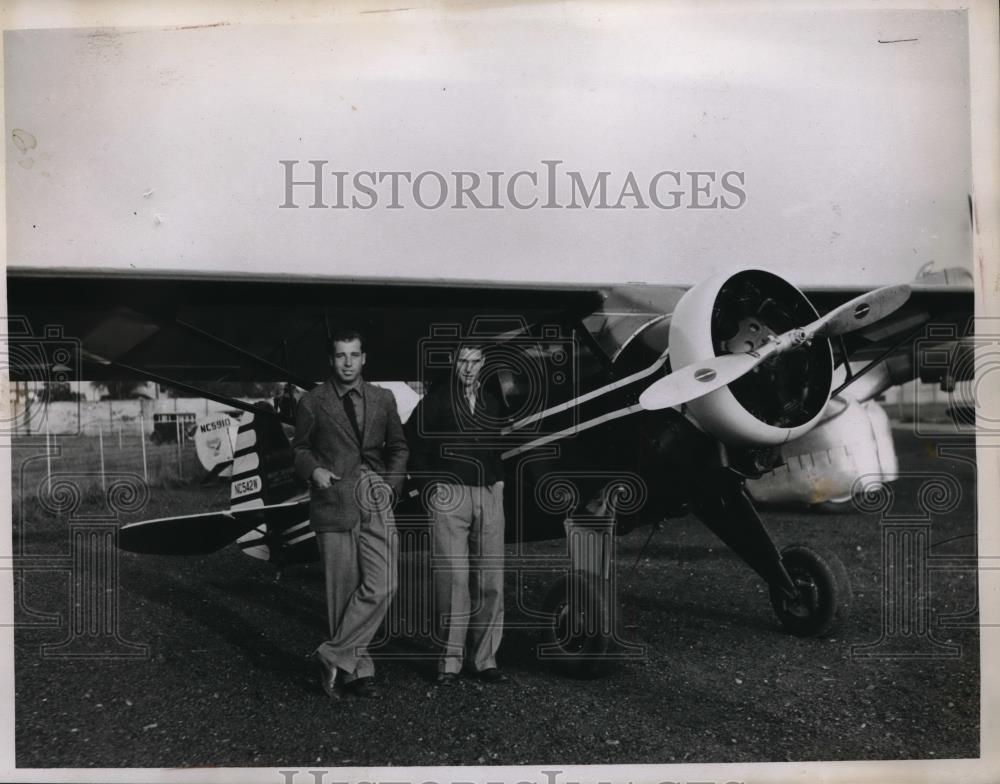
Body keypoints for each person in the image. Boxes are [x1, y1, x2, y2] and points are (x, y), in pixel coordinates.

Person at [292, 329, 409, 699]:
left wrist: (389, 484)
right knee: (342, 591)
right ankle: (357, 672)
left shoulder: (383, 398)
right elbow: (299, 448)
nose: (347, 362)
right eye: (341, 355)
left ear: (364, 359)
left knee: (384, 582)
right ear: (331, 360)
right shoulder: (313, 401)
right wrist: (314, 470)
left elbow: (400, 447)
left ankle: (331, 654)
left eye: (354, 355)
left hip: (375, 497)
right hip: (333, 499)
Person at [406, 344, 508, 684]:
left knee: (491, 581)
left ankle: (485, 659)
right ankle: (450, 661)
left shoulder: (492, 403)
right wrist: (429, 487)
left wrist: (500, 484)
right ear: (454, 363)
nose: (468, 367)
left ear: (483, 364)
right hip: (449, 497)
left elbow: (497, 448)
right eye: (462, 360)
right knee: (454, 582)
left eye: (474, 361)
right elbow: (413, 444)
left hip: (488, 495)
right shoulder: (435, 402)